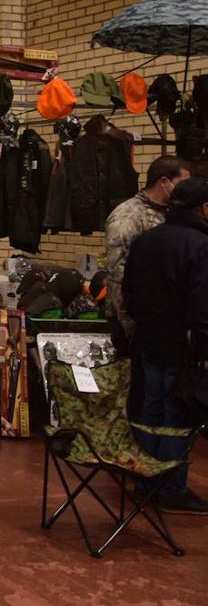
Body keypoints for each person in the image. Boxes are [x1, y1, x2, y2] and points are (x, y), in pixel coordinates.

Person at [123, 177, 208, 516]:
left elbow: (128, 290)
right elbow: (203, 304)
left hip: (148, 339)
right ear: (204, 208)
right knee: (177, 415)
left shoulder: (147, 240)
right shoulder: (201, 246)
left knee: (149, 410)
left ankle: (145, 480)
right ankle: (171, 488)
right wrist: (203, 349)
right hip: (183, 346)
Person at [104, 156, 190, 416]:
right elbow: (117, 273)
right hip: (133, 322)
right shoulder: (127, 217)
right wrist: (129, 324)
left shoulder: (174, 215)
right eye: (182, 182)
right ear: (164, 182)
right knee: (139, 395)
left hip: (165, 324)